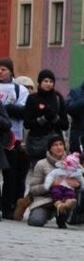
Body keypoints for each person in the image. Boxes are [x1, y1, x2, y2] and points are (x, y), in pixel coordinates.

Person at [26, 136, 81, 228]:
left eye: (61, 144)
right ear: (50, 149)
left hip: (64, 199)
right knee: (36, 221)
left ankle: (62, 217)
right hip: (44, 200)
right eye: (55, 145)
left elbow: (80, 183)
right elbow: (33, 189)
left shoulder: (72, 163)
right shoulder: (41, 164)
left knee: (70, 200)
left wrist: (76, 185)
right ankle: (44, 214)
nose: (59, 147)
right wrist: (49, 185)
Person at [0, 57, 29, 220]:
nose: (0, 72)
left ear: (10, 70)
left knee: (10, 175)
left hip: (13, 137)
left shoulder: (20, 90)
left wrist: (6, 108)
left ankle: (8, 206)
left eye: (3, 69)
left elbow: (23, 111)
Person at [23, 69, 68, 167]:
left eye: (51, 82)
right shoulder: (32, 98)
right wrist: (44, 118)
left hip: (55, 146)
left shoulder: (57, 98)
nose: (48, 84)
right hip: (37, 144)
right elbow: (27, 124)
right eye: (45, 81)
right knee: (39, 174)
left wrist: (55, 118)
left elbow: (65, 125)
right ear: (40, 82)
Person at [42, 151, 84, 227]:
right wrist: (47, 185)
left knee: (70, 195)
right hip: (58, 187)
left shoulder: (77, 174)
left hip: (69, 189)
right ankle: (59, 205)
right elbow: (50, 176)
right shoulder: (58, 170)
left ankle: (66, 204)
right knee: (56, 193)